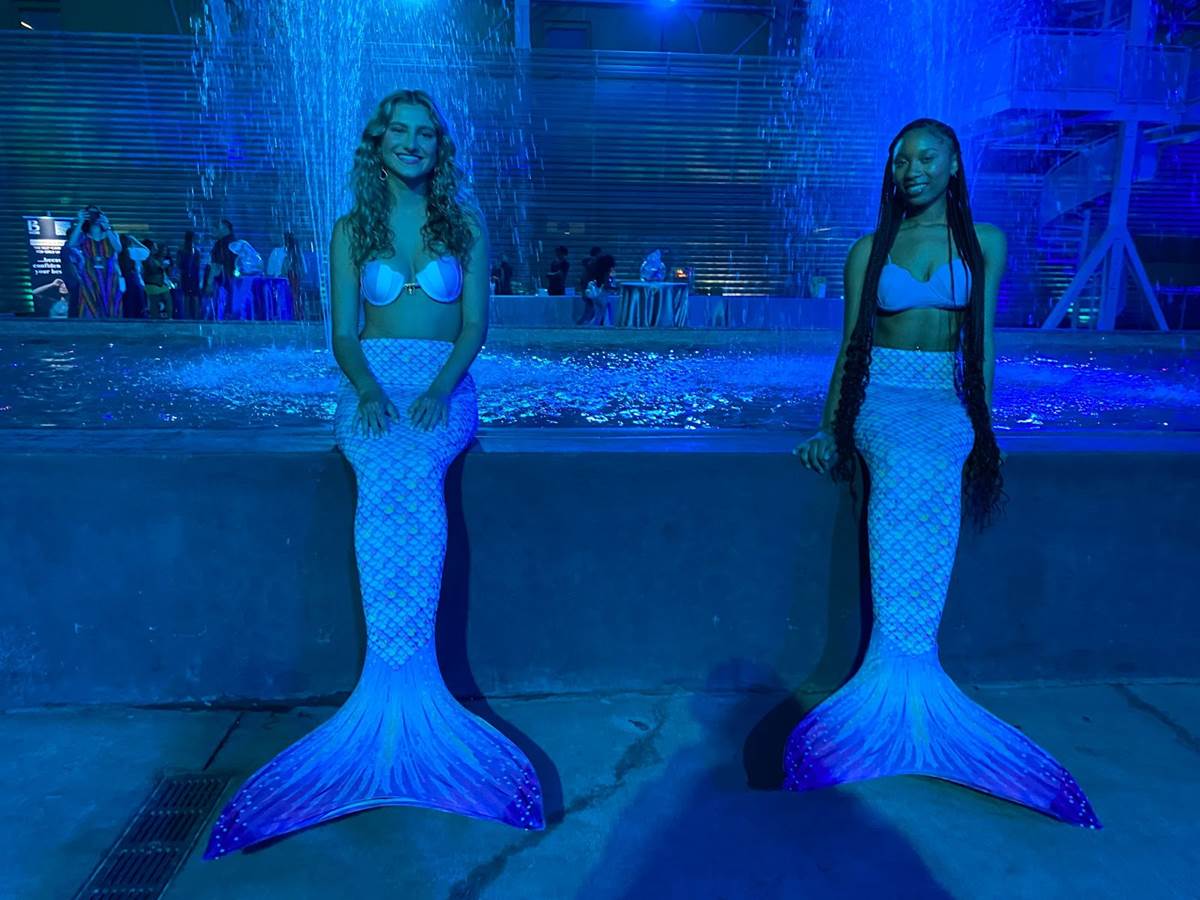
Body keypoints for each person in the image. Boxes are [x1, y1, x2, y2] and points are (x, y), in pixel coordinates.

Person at [204, 89, 544, 860]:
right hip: (372, 383)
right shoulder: (350, 229)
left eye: (426, 133)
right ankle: (385, 688)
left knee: (417, 473)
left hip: (443, 385)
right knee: (382, 470)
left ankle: (416, 686)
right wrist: (365, 390)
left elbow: (474, 326)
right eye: (401, 131)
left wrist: (439, 389)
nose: (413, 143)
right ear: (378, 142)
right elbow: (345, 336)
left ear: (438, 146)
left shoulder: (465, 224)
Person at [787, 118, 1099, 827]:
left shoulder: (985, 242)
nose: (912, 169)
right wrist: (831, 426)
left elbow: (982, 346)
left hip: (945, 396)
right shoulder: (869, 249)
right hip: (883, 392)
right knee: (904, 456)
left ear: (954, 164)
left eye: (926, 156)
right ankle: (891, 675)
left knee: (941, 449)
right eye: (900, 159)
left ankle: (916, 675)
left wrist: (984, 426)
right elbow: (850, 346)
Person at [68, 206, 122, 318]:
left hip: (109, 276)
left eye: (97, 214)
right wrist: (80, 222)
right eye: (91, 214)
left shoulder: (111, 234)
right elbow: (71, 244)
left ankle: (112, 326)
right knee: (90, 305)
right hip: (90, 275)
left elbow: (118, 248)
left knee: (111, 305)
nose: (94, 217)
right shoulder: (83, 236)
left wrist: (107, 227)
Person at [204, 219, 237, 319]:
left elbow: (216, 265)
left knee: (219, 309)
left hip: (222, 283)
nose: (214, 230)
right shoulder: (235, 243)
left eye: (218, 227)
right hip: (234, 283)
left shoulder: (221, 244)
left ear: (226, 228)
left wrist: (209, 283)